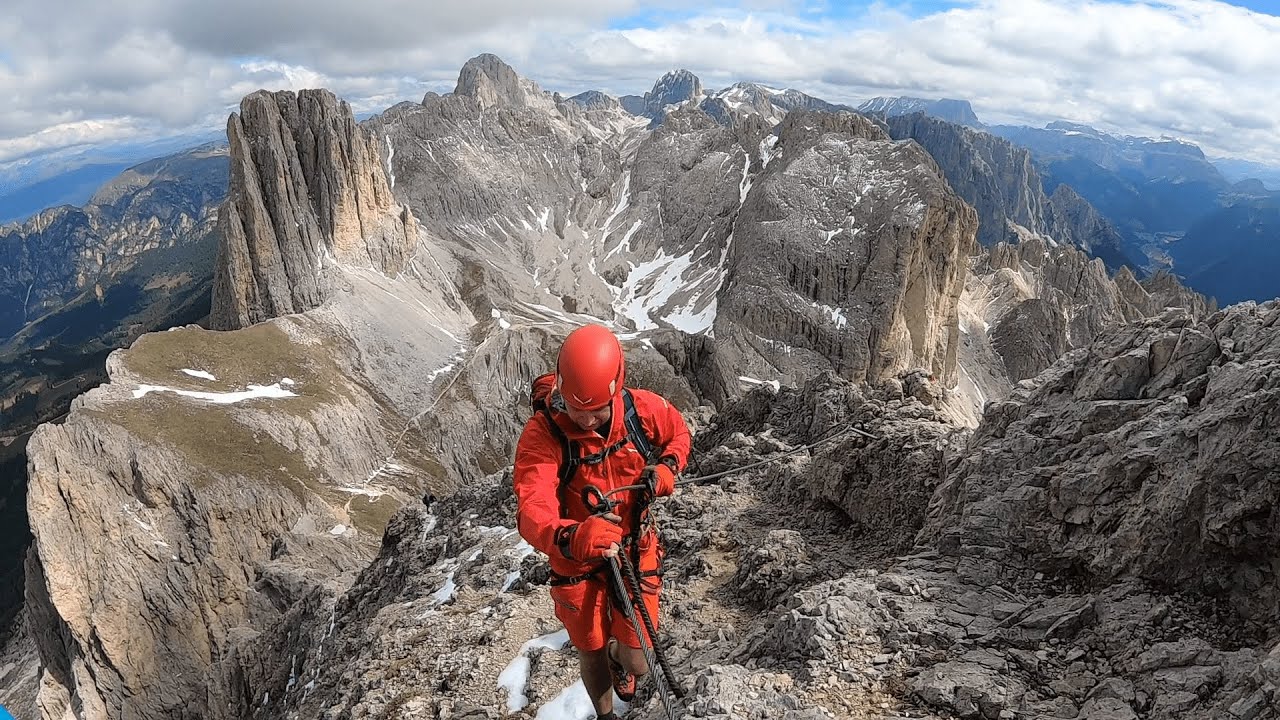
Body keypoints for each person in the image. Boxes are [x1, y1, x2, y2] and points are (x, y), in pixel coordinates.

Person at [513, 323, 691, 719]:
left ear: (616, 390)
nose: (585, 420)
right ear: (559, 388)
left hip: (633, 547)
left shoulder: (642, 412)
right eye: (576, 409)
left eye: (596, 412)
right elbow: (532, 508)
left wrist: (666, 466)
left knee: (640, 661)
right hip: (577, 559)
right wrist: (571, 536)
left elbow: (678, 433)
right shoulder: (543, 435)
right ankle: (605, 714)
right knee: (589, 647)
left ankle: (618, 655)